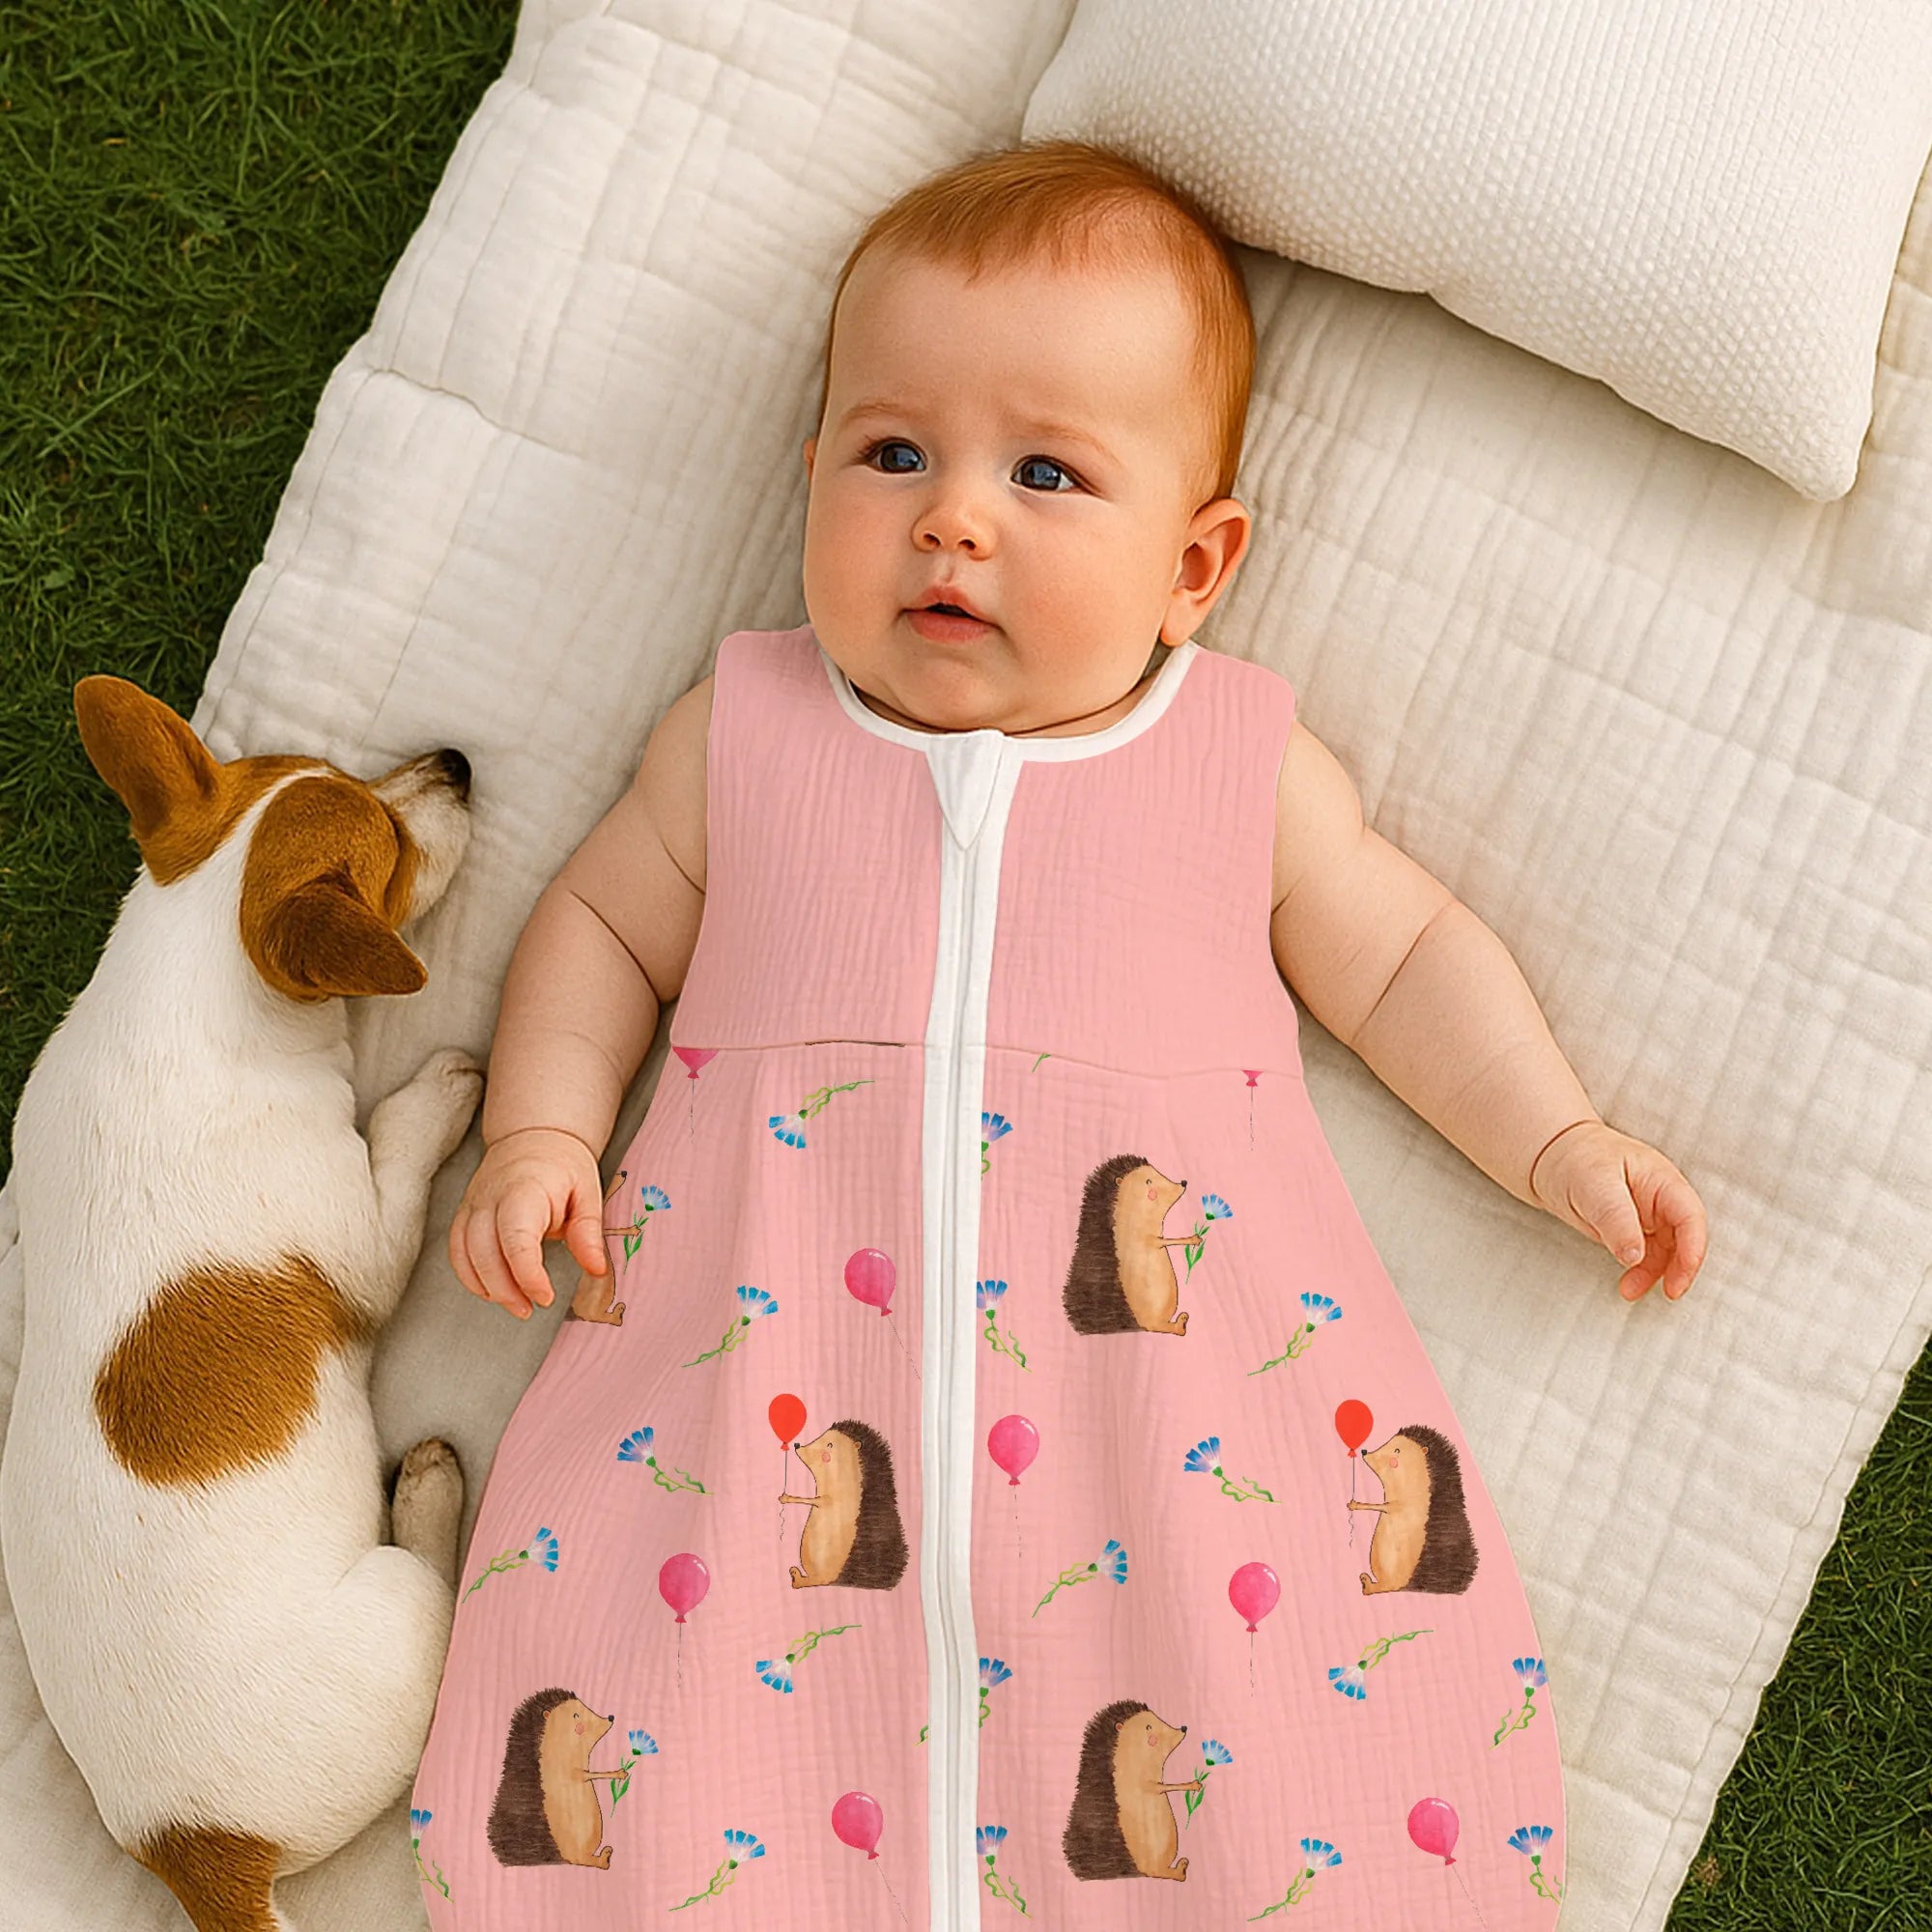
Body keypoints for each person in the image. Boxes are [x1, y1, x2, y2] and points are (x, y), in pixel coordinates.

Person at [414, 138, 1704, 1928]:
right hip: (753, 1396)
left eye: (1045, 472)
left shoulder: (1237, 766)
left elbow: (1407, 958)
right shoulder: (746, 732)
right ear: (809, 472)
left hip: (1159, 1437)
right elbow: (605, 926)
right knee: (689, 1747)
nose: (955, 517)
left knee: (1233, 1773)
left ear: (1195, 564)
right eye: (891, 454)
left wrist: (1555, 1138)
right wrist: (544, 1131)